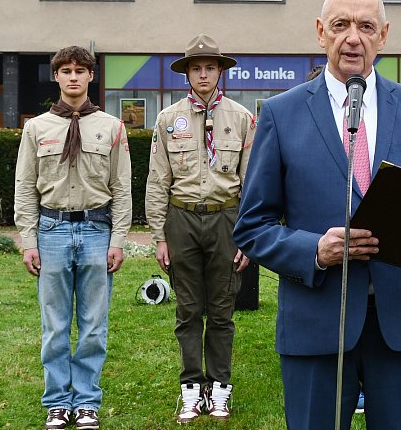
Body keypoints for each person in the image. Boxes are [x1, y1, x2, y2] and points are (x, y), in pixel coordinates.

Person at [234, 0, 401, 430]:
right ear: (320, 32)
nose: (354, 37)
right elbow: (252, 226)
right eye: (341, 25)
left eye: (366, 26)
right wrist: (314, 250)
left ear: (384, 35)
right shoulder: (281, 114)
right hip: (317, 324)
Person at [14, 46, 132, 430]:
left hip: (97, 231)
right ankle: (56, 403)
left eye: (81, 70)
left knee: (94, 324)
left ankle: (86, 403)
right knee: (55, 324)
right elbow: (25, 187)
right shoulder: (36, 128)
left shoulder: (112, 127)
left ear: (91, 77)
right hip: (52, 230)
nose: (74, 77)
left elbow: (122, 187)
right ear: (57, 77)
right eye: (66, 70)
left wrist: (119, 239)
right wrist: (28, 240)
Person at [145, 35, 255, 423]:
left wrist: (248, 236)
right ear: (187, 73)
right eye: (196, 67)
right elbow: (158, 181)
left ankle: (219, 388)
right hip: (182, 219)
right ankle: (192, 388)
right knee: (188, 310)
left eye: (210, 67)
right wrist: (159, 236)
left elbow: (251, 184)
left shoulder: (241, 118)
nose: (203, 74)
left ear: (220, 71)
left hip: (227, 219)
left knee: (223, 311)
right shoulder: (167, 119)